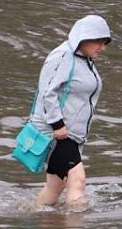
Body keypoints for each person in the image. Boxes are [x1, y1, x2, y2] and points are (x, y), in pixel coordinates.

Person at [30, 14, 112, 209]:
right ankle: (75, 227)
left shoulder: (83, 59)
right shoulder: (63, 56)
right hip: (57, 133)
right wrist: (57, 125)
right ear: (83, 37)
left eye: (105, 43)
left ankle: (37, 219)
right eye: (98, 42)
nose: (102, 48)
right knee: (78, 182)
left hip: (71, 135)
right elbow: (47, 92)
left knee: (55, 187)